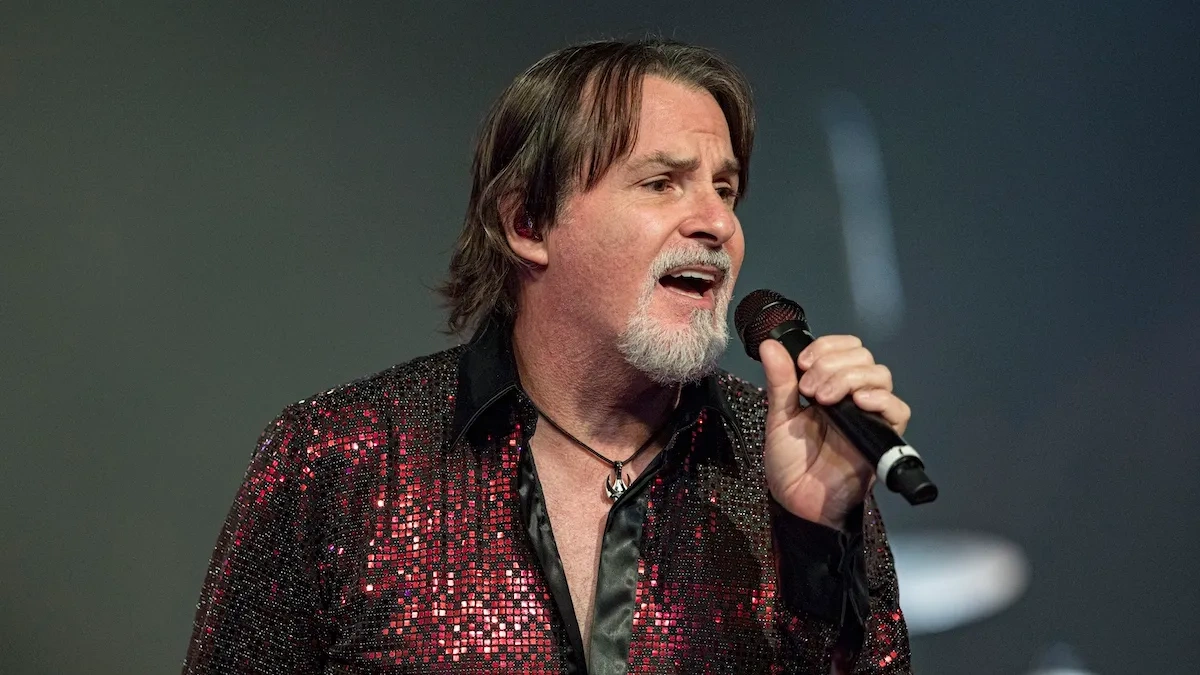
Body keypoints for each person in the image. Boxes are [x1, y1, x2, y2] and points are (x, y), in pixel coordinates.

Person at [183, 39, 913, 674]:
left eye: (726, 189)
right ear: (527, 223)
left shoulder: (796, 458)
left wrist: (815, 542)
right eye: (662, 183)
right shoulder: (341, 456)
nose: (717, 222)